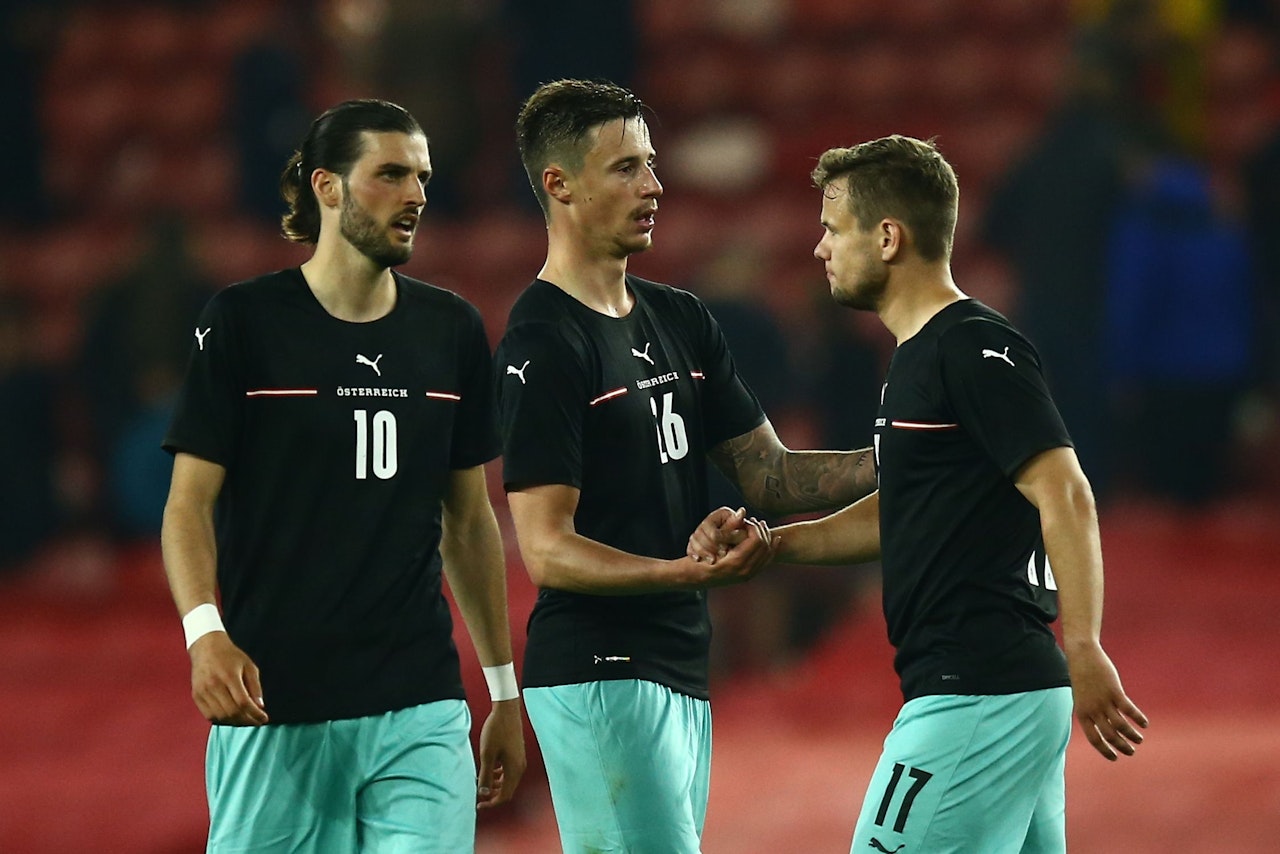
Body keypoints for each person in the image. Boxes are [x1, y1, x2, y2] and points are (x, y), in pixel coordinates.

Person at [695, 135, 1149, 853]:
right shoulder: (918, 359)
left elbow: (1066, 493)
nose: (819, 248)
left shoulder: (972, 348)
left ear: (887, 238)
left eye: (833, 228)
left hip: (977, 690)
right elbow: (899, 514)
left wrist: (1085, 646)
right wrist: (773, 545)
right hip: (992, 691)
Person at [494, 79, 877, 853]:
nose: (654, 186)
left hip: (679, 660)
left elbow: (770, 476)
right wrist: (681, 573)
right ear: (559, 185)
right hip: (599, 666)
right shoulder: (543, 342)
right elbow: (547, 549)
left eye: (652, 163)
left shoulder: (680, 317)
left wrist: (911, 452)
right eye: (626, 168)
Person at [159, 99, 526, 852]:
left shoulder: (452, 328)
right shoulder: (244, 322)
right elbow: (188, 505)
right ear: (326, 187)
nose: (416, 194)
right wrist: (204, 634)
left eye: (422, 177)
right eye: (390, 174)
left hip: (419, 704)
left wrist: (502, 691)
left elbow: (468, 521)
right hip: (277, 701)